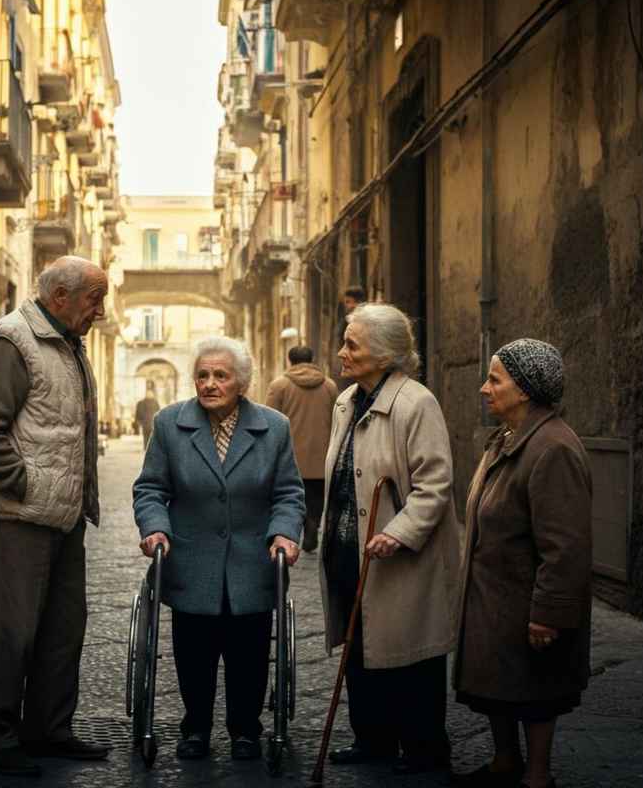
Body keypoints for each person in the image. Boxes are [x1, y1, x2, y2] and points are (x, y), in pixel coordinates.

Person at [0, 256, 110, 777]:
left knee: (63, 628)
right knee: (11, 631)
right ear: (60, 297)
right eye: (95, 298)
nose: (101, 310)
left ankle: (48, 729)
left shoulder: (67, 343)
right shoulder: (13, 340)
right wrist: (29, 486)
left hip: (64, 514)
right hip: (21, 514)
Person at [133, 336, 305, 762]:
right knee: (194, 654)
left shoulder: (274, 427)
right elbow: (150, 488)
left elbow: (288, 493)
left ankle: (246, 729)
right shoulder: (170, 424)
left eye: (221, 376)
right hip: (190, 561)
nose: (209, 383)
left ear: (241, 383)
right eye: (203, 375)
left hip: (253, 560)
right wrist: (155, 528)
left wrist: (284, 533)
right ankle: (195, 728)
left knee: (249, 652)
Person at [320, 302, 460, 775]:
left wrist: (397, 533)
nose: (342, 352)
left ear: (383, 354)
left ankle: (423, 748)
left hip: (397, 555)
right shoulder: (346, 400)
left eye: (352, 344)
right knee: (361, 648)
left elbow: (435, 485)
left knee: (410, 655)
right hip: (351, 549)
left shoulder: (416, 402)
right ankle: (373, 740)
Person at [453, 339, 592, 788]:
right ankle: (504, 762)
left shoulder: (552, 449)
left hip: (524, 601)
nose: (483, 388)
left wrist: (548, 614)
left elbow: (565, 546)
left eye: (495, 379)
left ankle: (537, 775)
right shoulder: (507, 439)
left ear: (526, 389)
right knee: (499, 685)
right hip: (496, 596)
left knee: (536, 691)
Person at [265, 345, 338, 552]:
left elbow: (269, 420)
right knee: (316, 496)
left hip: (290, 455)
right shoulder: (329, 386)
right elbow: (338, 417)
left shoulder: (280, 385)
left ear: (290, 360)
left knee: (291, 494)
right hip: (322, 454)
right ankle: (312, 524)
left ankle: (299, 527)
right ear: (312, 359)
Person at [334, 286, 367, 392]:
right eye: (346, 302)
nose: (347, 306)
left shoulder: (361, 320)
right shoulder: (347, 319)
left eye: (349, 302)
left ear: (358, 302)